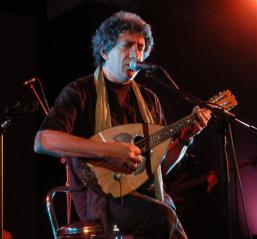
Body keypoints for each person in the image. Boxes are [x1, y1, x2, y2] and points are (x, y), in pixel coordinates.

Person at [34, 11, 211, 239]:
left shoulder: (149, 99)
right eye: (127, 45)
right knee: (162, 217)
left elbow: (161, 167)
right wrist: (109, 150)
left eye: (140, 47)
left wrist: (185, 139)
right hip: (99, 193)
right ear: (105, 51)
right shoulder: (81, 91)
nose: (136, 53)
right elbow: (43, 140)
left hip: (147, 194)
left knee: (167, 217)